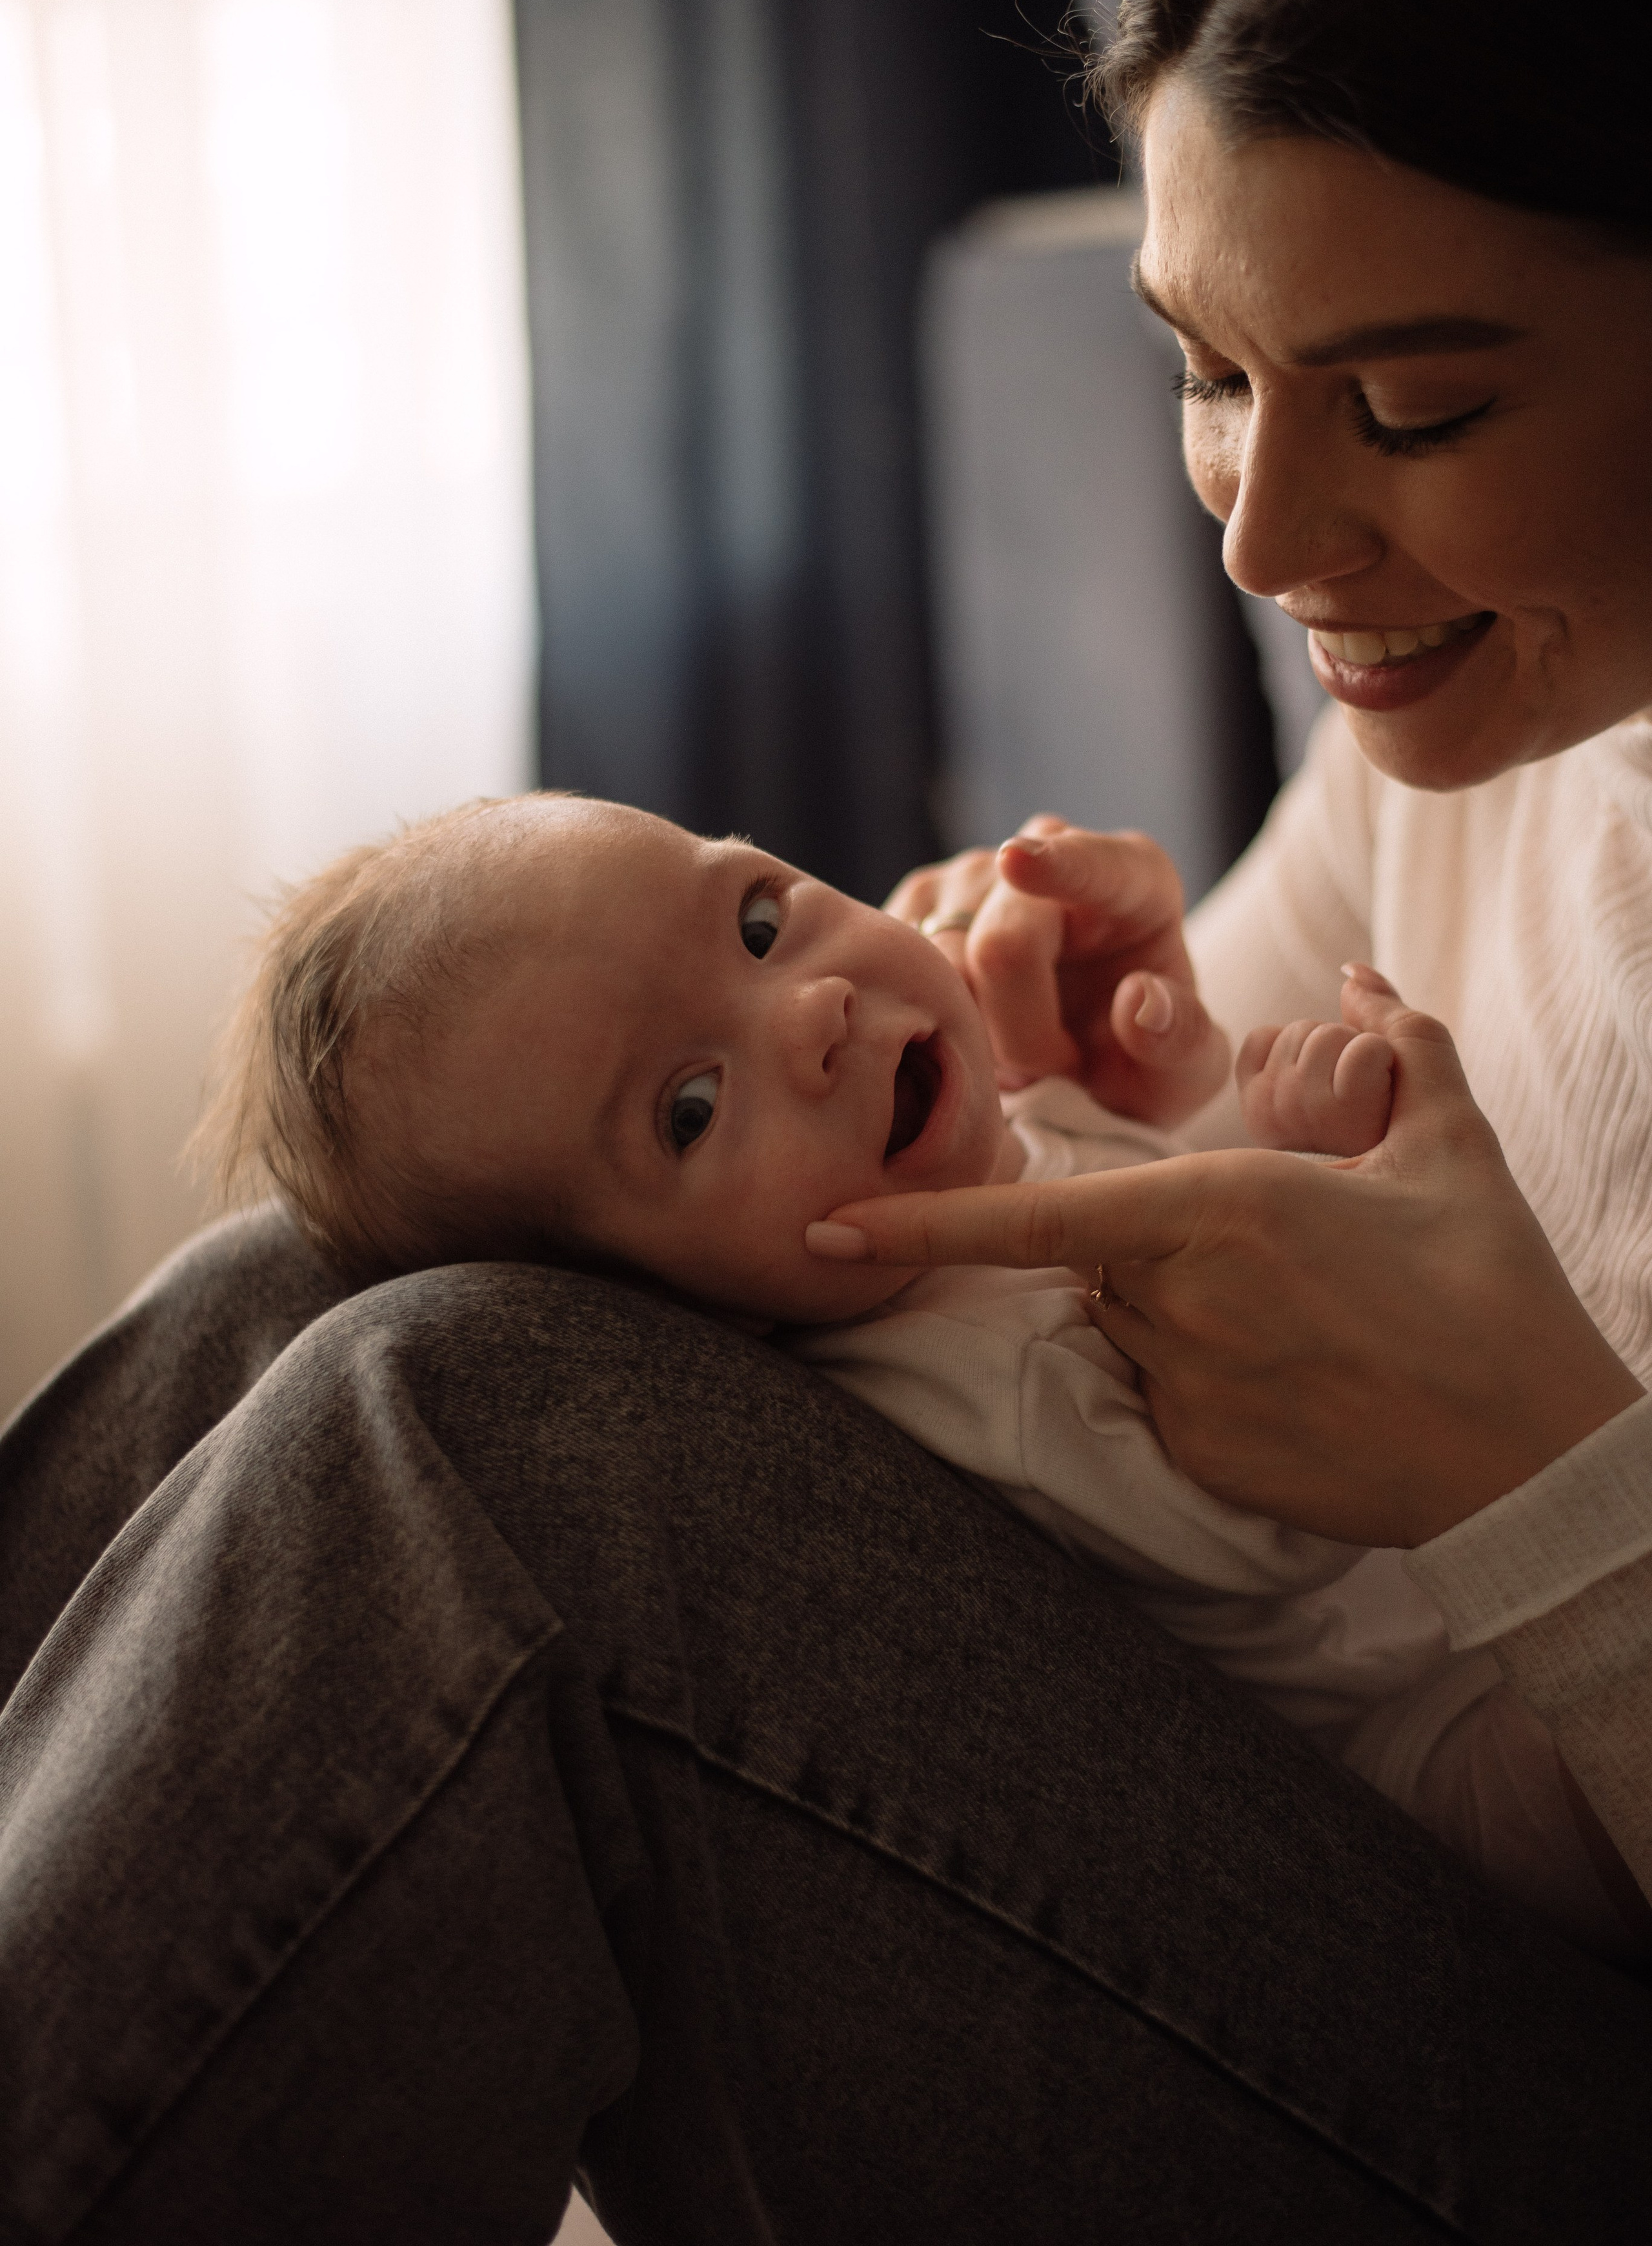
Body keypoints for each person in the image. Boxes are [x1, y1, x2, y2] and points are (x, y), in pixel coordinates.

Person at [6, 0, 1652, 2239]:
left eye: (1410, 407)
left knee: (464, 1441)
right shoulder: (1510, 720)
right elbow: (1222, 1077)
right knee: (319, 1273)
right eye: (1208, 367)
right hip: (1316, 1768)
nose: (1264, 538)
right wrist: (1103, 1039)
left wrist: (1536, 1466)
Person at [197, 788, 1629, 1961]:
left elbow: (1134, 1167)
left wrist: (1230, 1099)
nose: (808, 1012)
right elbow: (1266, 1536)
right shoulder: (969, 1383)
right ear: (665, 1324)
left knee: (266, 1301)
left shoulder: (955, 1158)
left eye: (757, 921)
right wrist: (1340, 1264)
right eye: (689, 1109)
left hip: (1466, 1630)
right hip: (1413, 1754)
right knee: (262, 1290)